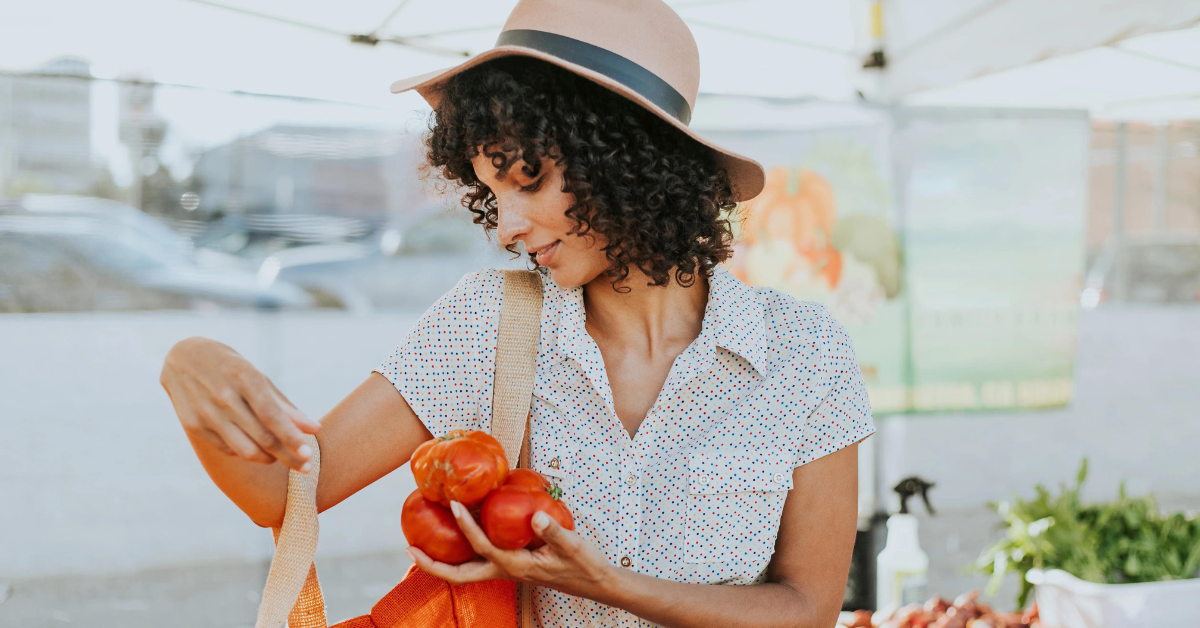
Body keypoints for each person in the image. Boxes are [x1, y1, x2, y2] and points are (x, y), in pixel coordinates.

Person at [159, 1, 875, 626]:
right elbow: (281, 494)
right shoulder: (486, 325)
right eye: (490, 193)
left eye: (526, 179)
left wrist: (609, 586)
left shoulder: (804, 353)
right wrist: (186, 361)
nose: (505, 226)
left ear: (626, 156)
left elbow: (805, 610)